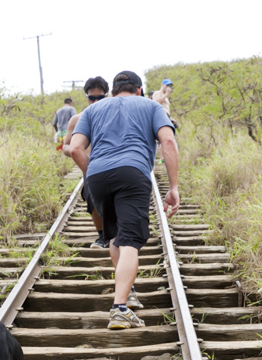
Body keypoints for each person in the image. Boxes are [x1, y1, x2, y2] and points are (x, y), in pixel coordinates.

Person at [66, 70, 180, 330]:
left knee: (116, 236)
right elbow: (168, 142)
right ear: (139, 89)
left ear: (113, 91)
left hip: (97, 176)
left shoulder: (93, 111)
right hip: (132, 173)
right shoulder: (151, 106)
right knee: (130, 240)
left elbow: (74, 148)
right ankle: (119, 308)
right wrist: (173, 187)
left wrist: (92, 172)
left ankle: (126, 292)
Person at [63, 76, 109, 248]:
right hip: (89, 165)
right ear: (86, 97)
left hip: (113, 162)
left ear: (108, 95)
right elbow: (66, 146)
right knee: (93, 199)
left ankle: (120, 234)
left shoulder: (114, 114)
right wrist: (78, 151)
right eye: (92, 98)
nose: (96, 101)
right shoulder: (78, 119)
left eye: (100, 97)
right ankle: (102, 236)